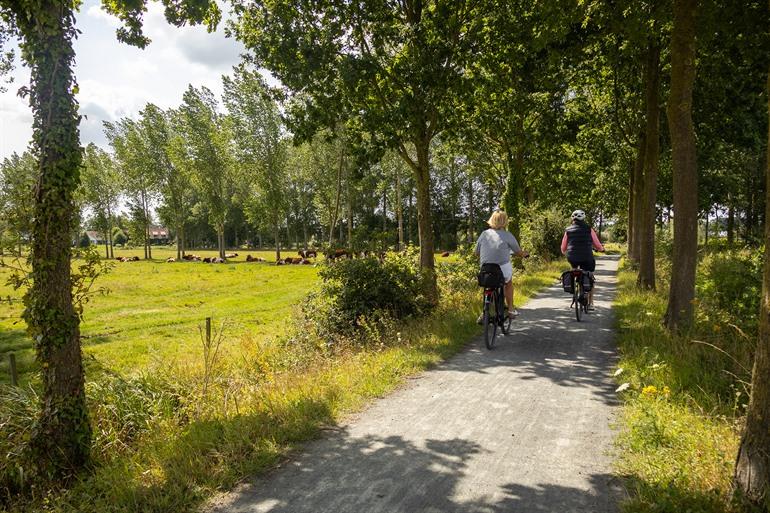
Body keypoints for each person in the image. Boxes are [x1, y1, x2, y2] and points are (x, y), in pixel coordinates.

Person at [475, 210, 529, 322]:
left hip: (486, 268)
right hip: (502, 269)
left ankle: (484, 312)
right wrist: (524, 254)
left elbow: (476, 252)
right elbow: (518, 252)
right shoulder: (508, 235)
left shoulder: (484, 234)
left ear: (491, 220)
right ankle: (510, 309)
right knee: (508, 283)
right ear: (505, 222)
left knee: (487, 286)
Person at [561, 209, 605, 310]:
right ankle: (591, 303)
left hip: (572, 257)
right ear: (583, 219)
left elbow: (563, 247)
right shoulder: (589, 229)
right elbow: (597, 244)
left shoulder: (568, 230)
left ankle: (574, 293)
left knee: (574, 270)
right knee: (590, 275)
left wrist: (565, 253)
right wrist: (601, 249)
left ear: (573, 219)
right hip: (587, 257)